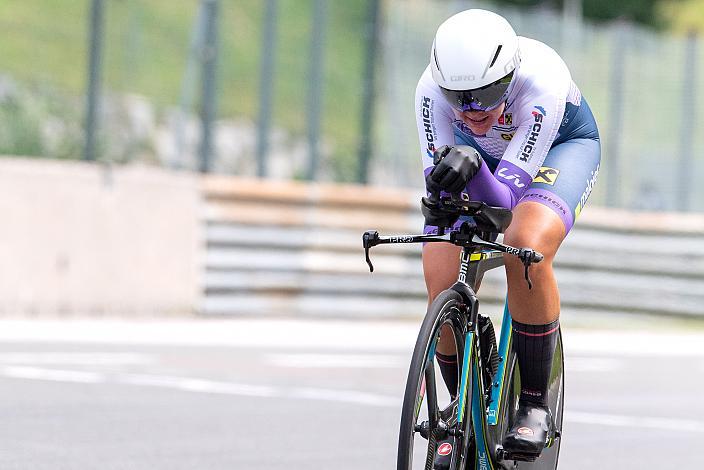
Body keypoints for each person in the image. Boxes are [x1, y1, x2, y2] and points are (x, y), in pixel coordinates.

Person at [415, 8, 600, 465]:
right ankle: (463, 408)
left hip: (559, 149)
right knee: (439, 263)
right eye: (458, 99)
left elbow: (503, 203)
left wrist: (471, 166)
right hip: (480, 161)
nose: (473, 111)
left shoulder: (543, 82)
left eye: (488, 96)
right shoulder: (428, 92)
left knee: (526, 248)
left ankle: (535, 401)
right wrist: (440, 223)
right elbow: (436, 192)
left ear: (510, 76)